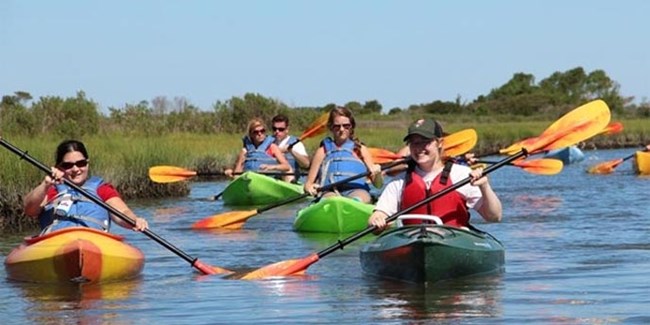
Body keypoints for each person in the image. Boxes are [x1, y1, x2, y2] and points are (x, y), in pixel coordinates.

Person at [368, 118, 502, 232]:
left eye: (425, 141)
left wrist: (484, 186)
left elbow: (494, 217)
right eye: (414, 143)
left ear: (439, 143)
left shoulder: (461, 174)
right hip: (412, 241)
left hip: (453, 240)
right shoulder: (399, 182)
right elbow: (378, 215)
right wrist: (376, 220)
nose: (419, 148)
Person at [23, 140, 149, 235]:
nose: (76, 169)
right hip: (56, 242)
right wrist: (45, 185)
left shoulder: (102, 189)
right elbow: (30, 210)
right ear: (59, 167)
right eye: (68, 165)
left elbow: (123, 214)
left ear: (87, 164)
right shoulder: (52, 190)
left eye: (81, 163)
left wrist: (134, 220)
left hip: (95, 241)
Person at [303, 106, 382, 204]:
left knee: (360, 198)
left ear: (351, 126)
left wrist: (377, 173)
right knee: (331, 201)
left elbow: (378, 185)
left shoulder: (361, 149)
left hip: (356, 191)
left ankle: (355, 207)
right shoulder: (322, 151)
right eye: (337, 126)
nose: (341, 129)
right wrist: (309, 188)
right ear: (331, 127)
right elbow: (307, 184)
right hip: (330, 191)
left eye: (346, 126)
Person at [224, 118, 291, 178]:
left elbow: (286, 166)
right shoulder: (245, 151)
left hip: (268, 179)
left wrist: (271, 167)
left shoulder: (272, 147)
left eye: (262, 131)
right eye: (256, 132)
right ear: (251, 134)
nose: (260, 134)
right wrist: (231, 174)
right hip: (250, 180)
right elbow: (237, 175)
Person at [270, 114, 310, 183]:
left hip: (293, 182)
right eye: (274, 129)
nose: (277, 132)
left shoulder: (296, 143)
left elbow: (306, 164)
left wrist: (291, 151)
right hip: (274, 181)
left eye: (281, 129)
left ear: (287, 129)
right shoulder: (268, 142)